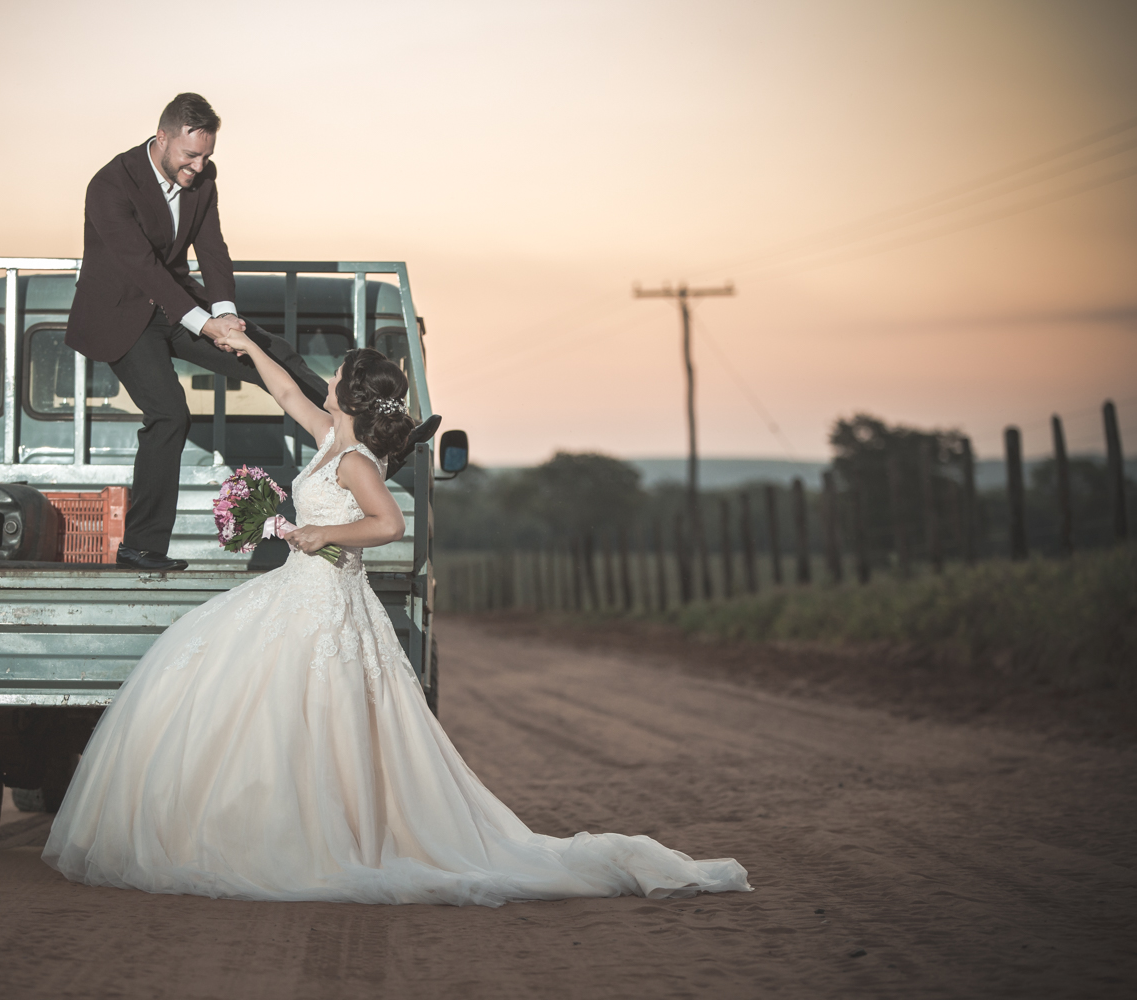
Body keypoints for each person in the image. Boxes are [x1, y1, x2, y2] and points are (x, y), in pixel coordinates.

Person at [42, 329, 752, 906]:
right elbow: (283, 390)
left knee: (316, 714)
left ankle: (322, 838)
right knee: (227, 679)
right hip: (296, 592)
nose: (322, 381)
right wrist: (247, 345)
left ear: (351, 393)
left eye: (334, 375)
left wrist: (320, 534)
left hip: (328, 602)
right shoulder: (328, 436)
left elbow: (388, 526)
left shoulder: (355, 460)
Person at [65, 92, 435, 572]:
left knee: (271, 352)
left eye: (206, 156)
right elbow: (142, 267)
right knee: (169, 414)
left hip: (177, 301)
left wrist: (227, 315)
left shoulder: (203, 179)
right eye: (190, 155)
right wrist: (206, 324)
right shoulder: (109, 184)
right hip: (121, 315)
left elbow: (212, 248)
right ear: (162, 138)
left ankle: (376, 436)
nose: (199, 167)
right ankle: (141, 547)